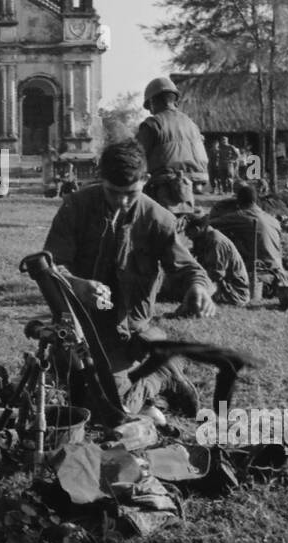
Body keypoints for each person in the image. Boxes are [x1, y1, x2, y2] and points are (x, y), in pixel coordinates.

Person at [44, 139, 216, 416]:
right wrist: (75, 284)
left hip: (128, 334)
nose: (122, 202)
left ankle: (159, 377)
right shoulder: (76, 207)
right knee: (64, 383)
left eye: (131, 193)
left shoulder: (158, 219)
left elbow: (189, 269)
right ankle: (163, 361)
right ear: (101, 179)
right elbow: (51, 264)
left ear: (145, 180)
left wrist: (198, 288)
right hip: (80, 329)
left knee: (107, 406)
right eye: (113, 192)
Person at [136, 76, 208, 214]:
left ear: (153, 101)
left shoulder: (153, 124)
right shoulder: (191, 124)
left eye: (149, 106)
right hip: (188, 188)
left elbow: (135, 157)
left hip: (162, 189)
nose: (150, 111)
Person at [209, 181, 287, 293]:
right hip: (279, 273)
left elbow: (209, 224)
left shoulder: (241, 216)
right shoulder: (273, 220)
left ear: (239, 202)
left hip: (259, 273)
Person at [183, 214, 250, 307]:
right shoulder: (204, 238)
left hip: (233, 293)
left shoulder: (216, 242)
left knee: (188, 292)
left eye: (187, 231)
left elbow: (216, 275)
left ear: (197, 229)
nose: (186, 235)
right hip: (220, 285)